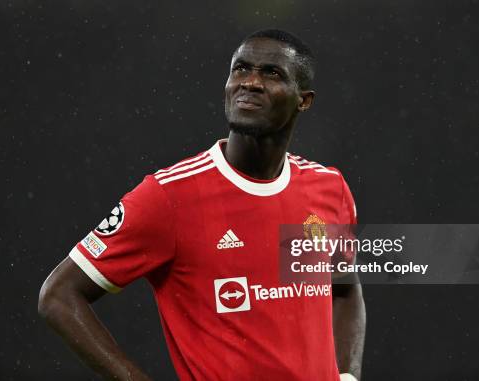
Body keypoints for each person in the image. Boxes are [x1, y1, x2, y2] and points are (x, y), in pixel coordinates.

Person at [38, 29, 365, 381]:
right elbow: (58, 295)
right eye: (240, 69)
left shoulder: (328, 188)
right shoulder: (168, 196)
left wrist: (347, 376)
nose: (251, 82)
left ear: (304, 100)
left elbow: (345, 289)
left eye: (272, 73)